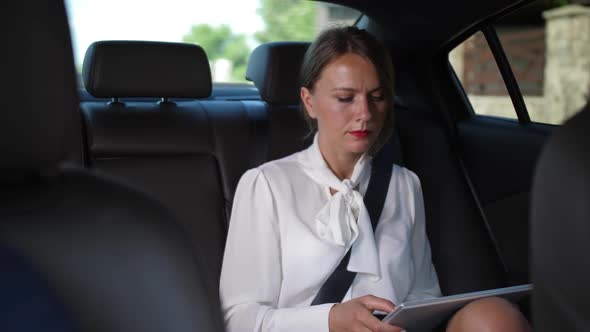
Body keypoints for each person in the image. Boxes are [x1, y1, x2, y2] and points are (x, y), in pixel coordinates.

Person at [220, 26, 531, 332]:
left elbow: (422, 294)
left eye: (377, 97)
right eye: (345, 98)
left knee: (495, 315)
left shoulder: (405, 185)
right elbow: (239, 319)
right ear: (309, 101)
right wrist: (330, 320)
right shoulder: (267, 185)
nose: (365, 113)